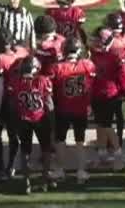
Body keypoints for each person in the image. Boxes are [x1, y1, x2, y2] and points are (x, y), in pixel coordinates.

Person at [8, 55, 56, 193]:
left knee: (25, 151)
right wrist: (52, 122)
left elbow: (12, 105)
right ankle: (44, 179)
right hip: (41, 119)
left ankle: (26, 182)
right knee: (46, 150)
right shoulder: (43, 80)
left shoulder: (15, 81)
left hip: (23, 119)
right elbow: (49, 104)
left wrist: (14, 120)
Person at [50, 36, 96, 183]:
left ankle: (60, 169)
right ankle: (81, 171)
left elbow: (51, 89)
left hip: (63, 108)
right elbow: (91, 84)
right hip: (81, 108)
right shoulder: (87, 65)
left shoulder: (57, 68)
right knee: (80, 140)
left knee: (60, 140)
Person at [0, 27, 27, 179]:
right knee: (14, 135)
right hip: (19, 99)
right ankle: (11, 166)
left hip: (5, 100)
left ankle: (1, 168)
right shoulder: (23, 52)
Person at [88, 26, 125, 171]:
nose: (94, 42)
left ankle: (119, 154)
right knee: (99, 125)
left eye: (97, 40)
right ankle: (102, 154)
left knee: (106, 126)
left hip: (109, 96)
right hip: (97, 94)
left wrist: (120, 90)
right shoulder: (96, 55)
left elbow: (124, 78)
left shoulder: (114, 57)